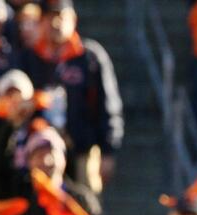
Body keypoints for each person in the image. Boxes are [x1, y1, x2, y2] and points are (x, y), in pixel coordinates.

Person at [22, 0, 122, 192]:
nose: (56, 23)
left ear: (73, 19)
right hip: (41, 153)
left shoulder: (89, 57)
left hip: (82, 151)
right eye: (50, 17)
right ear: (41, 21)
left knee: (85, 207)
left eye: (61, 16)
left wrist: (108, 151)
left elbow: (108, 106)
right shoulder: (30, 58)